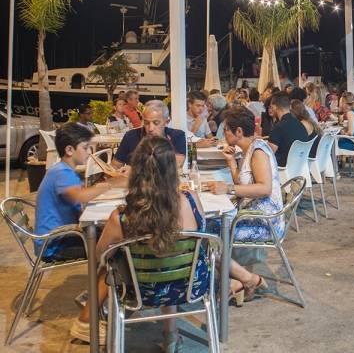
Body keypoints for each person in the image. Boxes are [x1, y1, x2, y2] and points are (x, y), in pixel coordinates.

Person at [71, 136, 206, 349]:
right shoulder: (192, 199)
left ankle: (88, 319)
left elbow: (100, 256)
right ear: (172, 168)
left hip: (140, 289)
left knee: (115, 263)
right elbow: (202, 231)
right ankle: (170, 334)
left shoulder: (122, 217)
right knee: (169, 257)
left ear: (136, 170)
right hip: (190, 285)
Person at [208, 108, 279, 302]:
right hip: (252, 213)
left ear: (238, 131)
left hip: (264, 221)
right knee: (207, 229)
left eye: (226, 131)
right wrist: (231, 162)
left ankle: (245, 280)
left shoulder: (258, 152)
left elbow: (264, 188)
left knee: (207, 238)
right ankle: (237, 281)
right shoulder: (249, 149)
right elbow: (243, 184)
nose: (223, 134)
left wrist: (228, 189)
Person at [35, 124, 123, 263]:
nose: (89, 152)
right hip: (55, 244)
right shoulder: (61, 173)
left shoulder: (64, 171)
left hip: (64, 237)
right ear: (69, 150)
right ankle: (102, 282)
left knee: (111, 236)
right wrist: (110, 184)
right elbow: (80, 196)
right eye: (85, 147)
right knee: (116, 245)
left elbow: (82, 197)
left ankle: (105, 280)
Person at [112, 100, 187, 169]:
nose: (150, 128)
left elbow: (176, 166)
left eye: (156, 123)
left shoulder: (177, 136)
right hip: (134, 183)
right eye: (146, 123)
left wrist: (134, 171)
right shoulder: (131, 136)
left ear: (167, 122)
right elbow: (115, 165)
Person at [268, 92, 309, 167]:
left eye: (271, 106)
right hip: (300, 166)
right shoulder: (299, 124)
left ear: (274, 107)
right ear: (289, 106)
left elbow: (268, 153)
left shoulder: (279, 127)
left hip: (283, 169)